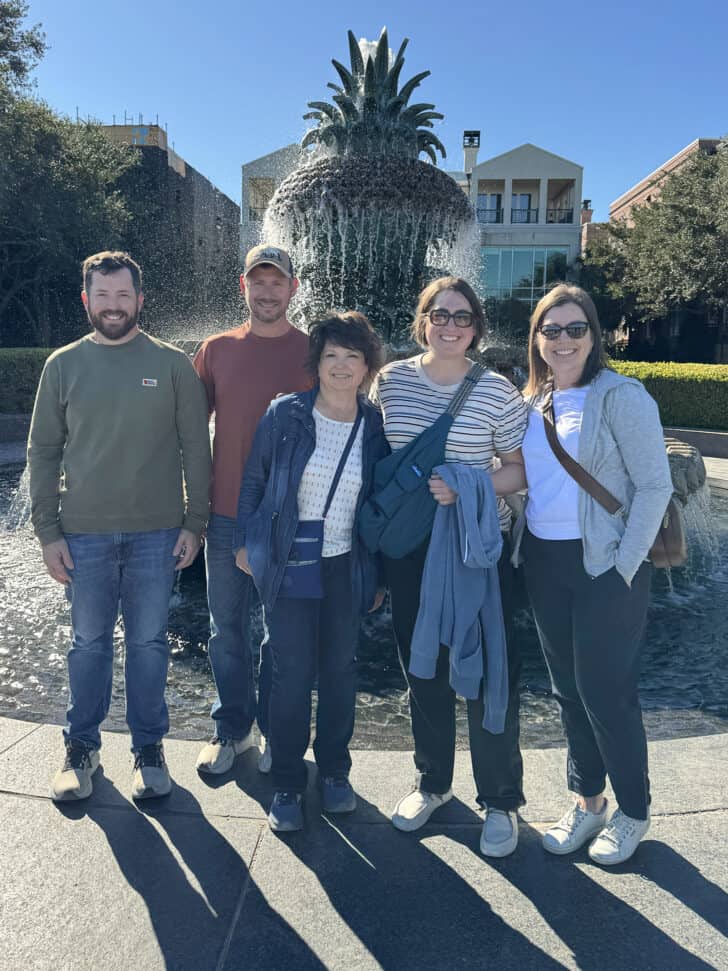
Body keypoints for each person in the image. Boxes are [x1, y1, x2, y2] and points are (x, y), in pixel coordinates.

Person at [27, 251, 211, 802]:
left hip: (157, 533)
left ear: (140, 299)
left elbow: (195, 450)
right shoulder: (62, 365)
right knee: (88, 645)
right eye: (102, 297)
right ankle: (81, 748)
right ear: (87, 300)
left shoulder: (173, 364)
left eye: (123, 296)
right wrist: (47, 532)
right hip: (83, 534)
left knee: (150, 643)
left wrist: (194, 522)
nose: (113, 306)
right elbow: (42, 451)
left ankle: (148, 749)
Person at [370, 277, 528, 858]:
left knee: (487, 672)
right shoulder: (391, 382)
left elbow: (519, 470)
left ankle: (501, 799)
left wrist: (467, 486)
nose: (451, 325)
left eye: (463, 317)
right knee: (423, 668)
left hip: (475, 550)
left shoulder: (496, 392)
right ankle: (433, 782)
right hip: (411, 550)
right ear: (423, 321)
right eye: (440, 314)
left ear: (476, 327)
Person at [517, 283, 673, 865]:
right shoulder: (532, 402)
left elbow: (655, 485)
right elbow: (527, 480)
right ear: (537, 338)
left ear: (593, 335)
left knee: (606, 692)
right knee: (567, 690)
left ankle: (633, 809)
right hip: (544, 560)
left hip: (605, 562)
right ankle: (589, 803)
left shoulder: (622, 396)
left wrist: (625, 565)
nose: (562, 340)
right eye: (550, 329)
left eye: (574, 328)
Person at [234, 312, 388, 832]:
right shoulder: (287, 415)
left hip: (346, 564)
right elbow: (253, 481)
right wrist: (246, 544)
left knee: (340, 671)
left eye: (352, 356)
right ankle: (285, 781)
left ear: (367, 366)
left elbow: (377, 505)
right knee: (291, 673)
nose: (341, 366)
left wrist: (379, 575)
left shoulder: (373, 426)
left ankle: (336, 770)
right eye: (331, 356)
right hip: (289, 559)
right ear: (316, 363)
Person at [193, 245, 311, 777]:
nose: (268, 291)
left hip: (288, 518)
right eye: (258, 281)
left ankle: (275, 732)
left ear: (293, 288)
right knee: (227, 629)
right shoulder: (215, 350)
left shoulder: (315, 354)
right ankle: (231, 728)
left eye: (277, 281)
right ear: (244, 287)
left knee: (282, 634)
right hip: (223, 516)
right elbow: (189, 433)